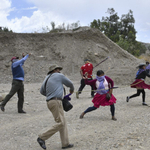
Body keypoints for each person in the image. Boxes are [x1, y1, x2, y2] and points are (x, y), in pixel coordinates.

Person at [37, 64, 74, 150]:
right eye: (58, 69)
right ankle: (42, 137)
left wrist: (51, 94)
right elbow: (70, 83)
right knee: (60, 123)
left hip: (50, 102)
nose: (59, 71)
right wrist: (71, 90)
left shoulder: (46, 78)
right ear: (54, 70)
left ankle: (65, 143)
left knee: (63, 121)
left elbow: (42, 91)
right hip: (56, 101)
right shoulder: (59, 75)